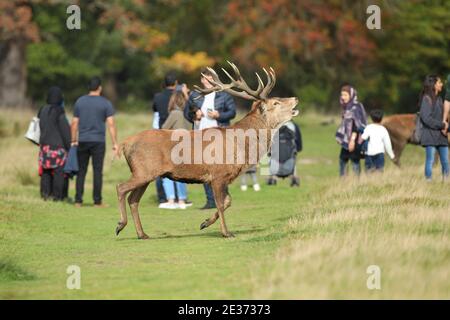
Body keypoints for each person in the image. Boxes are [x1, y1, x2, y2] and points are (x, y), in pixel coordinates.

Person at [184, 67, 236, 209]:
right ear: (201, 80)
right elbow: (186, 113)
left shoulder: (224, 95)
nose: (207, 81)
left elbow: (232, 112)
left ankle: (223, 197)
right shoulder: (195, 95)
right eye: (205, 79)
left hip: (220, 136)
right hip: (200, 137)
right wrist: (195, 115)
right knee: (205, 170)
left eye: (210, 79)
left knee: (221, 170)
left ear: (215, 79)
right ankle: (211, 201)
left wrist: (219, 115)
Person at [70, 77, 119, 207]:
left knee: (81, 171)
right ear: (100, 88)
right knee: (98, 171)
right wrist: (115, 143)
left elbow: (74, 123)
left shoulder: (80, 102)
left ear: (89, 87)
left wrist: (73, 140)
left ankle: (78, 200)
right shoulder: (105, 103)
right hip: (98, 141)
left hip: (83, 140)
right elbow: (111, 124)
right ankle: (97, 201)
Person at [152, 73, 183, 204]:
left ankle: (163, 197)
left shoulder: (158, 97)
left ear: (164, 83)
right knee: (180, 166)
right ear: (175, 83)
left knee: (161, 166)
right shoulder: (179, 96)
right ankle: (180, 197)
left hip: (163, 135)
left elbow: (155, 111)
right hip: (178, 136)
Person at [159, 91, 192, 209]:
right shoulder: (186, 114)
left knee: (168, 174)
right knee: (181, 174)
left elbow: (163, 129)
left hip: (174, 147)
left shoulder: (174, 113)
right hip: (186, 147)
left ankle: (171, 200)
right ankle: (182, 200)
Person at [38, 86, 71, 201]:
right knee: (58, 173)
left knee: (45, 172)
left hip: (44, 146)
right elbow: (65, 131)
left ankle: (45, 195)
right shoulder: (59, 112)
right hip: (58, 148)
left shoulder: (42, 110)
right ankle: (58, 196)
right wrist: (69, 146)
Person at [418, 75, 449, 181]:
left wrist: (446, 127)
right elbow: (426, 118)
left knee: (445, 161)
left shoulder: (440, 99)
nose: (442, 84)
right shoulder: (426, 99)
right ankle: (428, 182)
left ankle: (446, 181)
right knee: (430, 160)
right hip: (430, 136)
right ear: (433, 85)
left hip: (441, 136)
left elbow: (444, 118)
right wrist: (442, 125)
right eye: (439, 82)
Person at [335, 85, 367, 177]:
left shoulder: (356, 107)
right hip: (347, 140)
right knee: (342, 159)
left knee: (354, 161)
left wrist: (352, 140)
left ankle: (356, 184)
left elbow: (358, 125)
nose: (343, 97)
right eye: (342, 95)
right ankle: (343, 183)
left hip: (355, 139)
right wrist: (341, 135)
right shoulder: (346, 107)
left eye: (345, 95)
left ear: (351, 95)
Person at [266, 120, 302, 186]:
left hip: (275, 154)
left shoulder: (274, 125)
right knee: (293, 154)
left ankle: (272, 178)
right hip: (289, 154)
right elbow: (298, 143)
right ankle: (294, 178)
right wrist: (298, 149)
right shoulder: (293, 125)